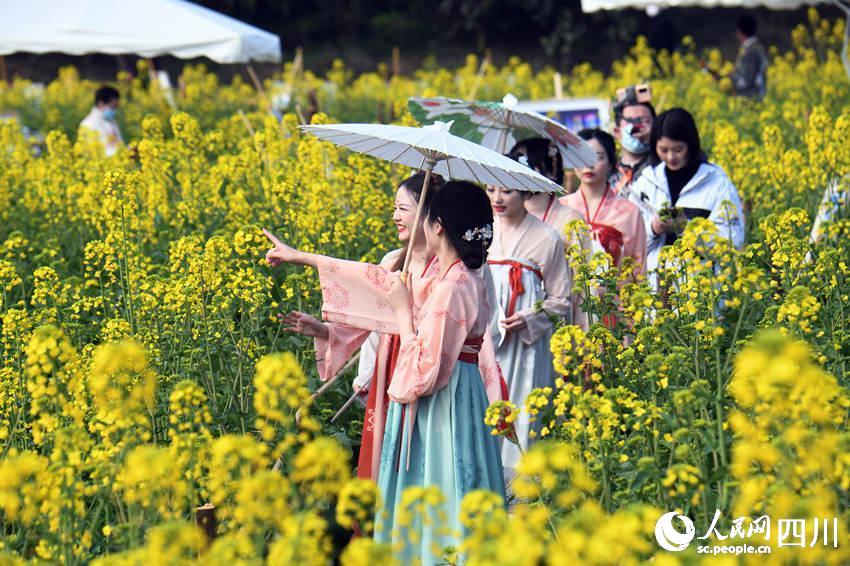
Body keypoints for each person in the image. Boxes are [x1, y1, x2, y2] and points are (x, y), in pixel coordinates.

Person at [264, 181, 505, 565]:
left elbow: (425, 368)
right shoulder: (449, 273)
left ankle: (432, 554)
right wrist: (302, 259)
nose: (398, 216)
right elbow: (362, 280)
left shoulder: (453, 284)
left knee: (437, 476)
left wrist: (402, 311)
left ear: (436, 224)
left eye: (408, 210)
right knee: (441, 477)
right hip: (454, 388)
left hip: (439, 393)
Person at [280, 172, 440, 481]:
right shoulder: (393, 261)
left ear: (429, 213)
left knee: (419, 456)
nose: (394, 216)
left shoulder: (448, 268)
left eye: (403, 209)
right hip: (389, 369)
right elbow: (371, 319)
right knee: (383, 454)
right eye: (394, 208)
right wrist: (326, 332)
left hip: (425, 371)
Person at [486, 179, 570, 475]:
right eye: (490, 189)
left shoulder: (548, 238)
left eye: (506, 190)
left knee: (521, 406)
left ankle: (520, 487)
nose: (497, 197)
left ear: (525, 192)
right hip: (484, 340)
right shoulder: (482, 229)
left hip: (525, 346)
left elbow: (562, 299)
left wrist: (530, 316)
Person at [629, 108, 745, 280]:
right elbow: (629, 240)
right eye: (663, 149)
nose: (670, 157)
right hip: (654, 292)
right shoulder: (646, 181)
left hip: (702, 291)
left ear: (691, 144)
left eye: (678, 149)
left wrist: (688, 230)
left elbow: (732, 241)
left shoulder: (717, 182)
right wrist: (654, 228)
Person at [561, 129, 647, 327]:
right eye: (581, 157)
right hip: (571, 311)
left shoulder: (629, 211)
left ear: (611, 163)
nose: (588, 164)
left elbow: (638, 269)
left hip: (614, 309)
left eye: (597, 157)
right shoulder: (562, 207)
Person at [507, 137, 583, 244]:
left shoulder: (571, 219)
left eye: (528, 165)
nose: (521, 172)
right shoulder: (506, 214)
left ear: (552, 170)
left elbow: (581, 259)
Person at [701, 15, 768, 100]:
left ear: (740, 32)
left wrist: (725, 80)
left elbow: (745, 81)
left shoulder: (751, 51)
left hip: (748, 99)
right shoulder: (756, 47)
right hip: (753, 97)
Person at [610, 94, 656, 198]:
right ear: (617, 131)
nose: (638, 127)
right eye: (630, 121)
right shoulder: (607, 171)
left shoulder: (663, 166)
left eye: (645, 121)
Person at [79, 86, 124, 157]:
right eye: (113, 107)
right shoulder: (87, 124)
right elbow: (96, 154)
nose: (115, 110)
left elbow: (120, 144)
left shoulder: (111, 121)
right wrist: (122, 153)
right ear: (101, 104)